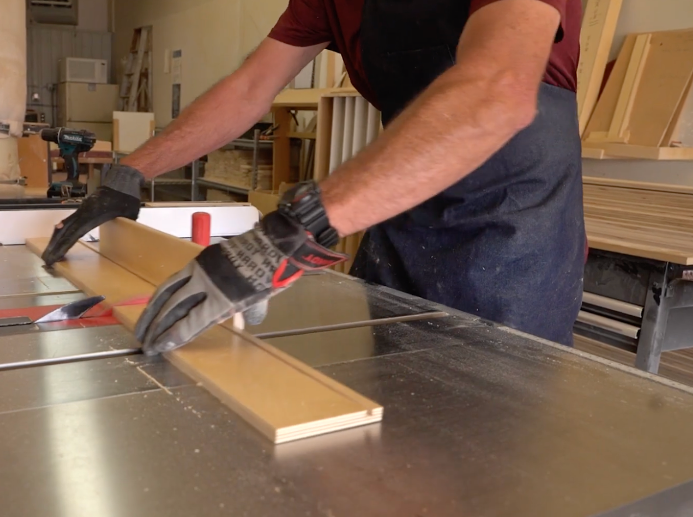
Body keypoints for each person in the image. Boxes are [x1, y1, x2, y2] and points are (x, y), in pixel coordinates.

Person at [43, 0, 585, 355]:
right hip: (403, 210)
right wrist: (130, 172)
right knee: (403, 403)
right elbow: (250, 88)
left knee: (492, 438)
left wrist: (295, 230)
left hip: (511, 220)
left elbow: (496, 90)